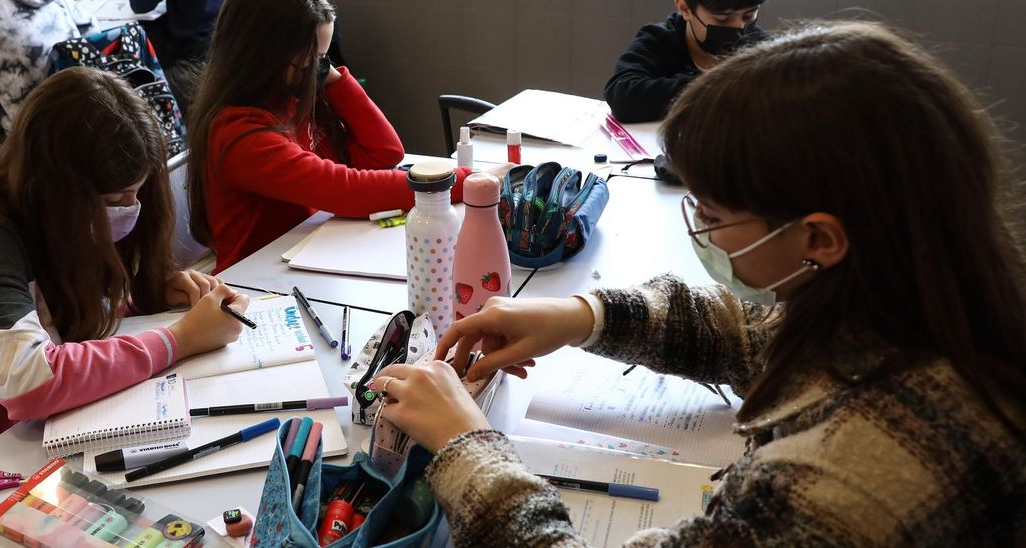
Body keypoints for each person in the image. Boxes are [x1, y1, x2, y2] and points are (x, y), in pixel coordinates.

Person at [375, 22, 1026, 546]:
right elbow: (756, 335)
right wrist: (581, 316)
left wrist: (466, 449)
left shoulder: (851, 486)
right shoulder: (922, 306)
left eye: (713, 216)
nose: (702, 234)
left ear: (820, 238)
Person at [0, 67, 249, 460]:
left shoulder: (56, 221)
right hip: (3, 469)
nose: (129, 211)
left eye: (137, 194)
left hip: (74, 433)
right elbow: (30, 383)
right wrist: (178, 339)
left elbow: (63, 328)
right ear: (58, 189)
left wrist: (144, 299)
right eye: (115, 201)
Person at [185, 0, 478, 273]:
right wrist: (467, 181)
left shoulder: (295, 98)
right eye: (309, 63)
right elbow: (347, 189)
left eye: (323, 60)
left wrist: (335, 80)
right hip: (254, 279)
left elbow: (384, 154)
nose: (317, 72)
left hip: (304, 253)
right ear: (263, 55)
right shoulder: (239, 133)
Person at [603, 0, 767, 123]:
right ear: (685, 8)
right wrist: (719, 85)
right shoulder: (659, 40)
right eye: (722, 19)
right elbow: (622, 97)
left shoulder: (761, 47)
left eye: (748, 16)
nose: (739, 28)